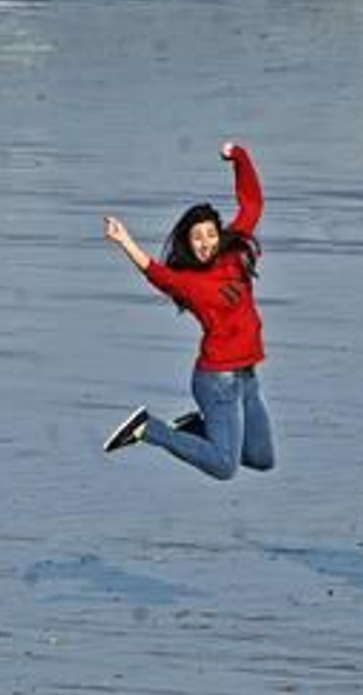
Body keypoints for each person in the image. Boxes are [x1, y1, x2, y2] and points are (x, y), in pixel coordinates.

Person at [100, 141, 275, 481]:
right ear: (188, 243)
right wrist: (125, 242)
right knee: (225, 467)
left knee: (261, 457)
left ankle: (197, 426)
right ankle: (148, 429)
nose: (206, 242)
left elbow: (252, 202)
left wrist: (238, 156)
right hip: (216, 381)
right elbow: (157, 274)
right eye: (197, 237)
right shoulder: (191, 283)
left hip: (247, 376)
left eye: (211, 233)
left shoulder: (235, 252)